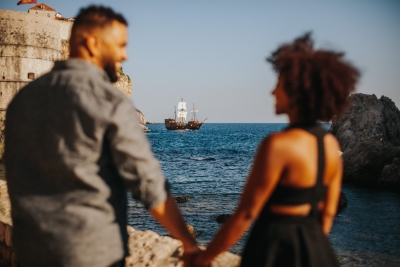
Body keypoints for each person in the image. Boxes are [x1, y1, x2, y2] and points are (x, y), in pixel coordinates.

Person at [5, 5, 198, 267]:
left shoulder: (22, 100)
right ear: (93, 44)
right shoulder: (108, 101)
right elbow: (149, 185)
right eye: (120, 45)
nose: (125, 55)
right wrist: (189, 244)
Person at [193, 33, 360, 267]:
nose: (272, 92)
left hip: (273, 250)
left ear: (295, 93)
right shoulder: (330, 145)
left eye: (279, 85)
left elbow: (245, 215)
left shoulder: (278, 146)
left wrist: (204, 257)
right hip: (317, 252)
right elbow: (328, 212)